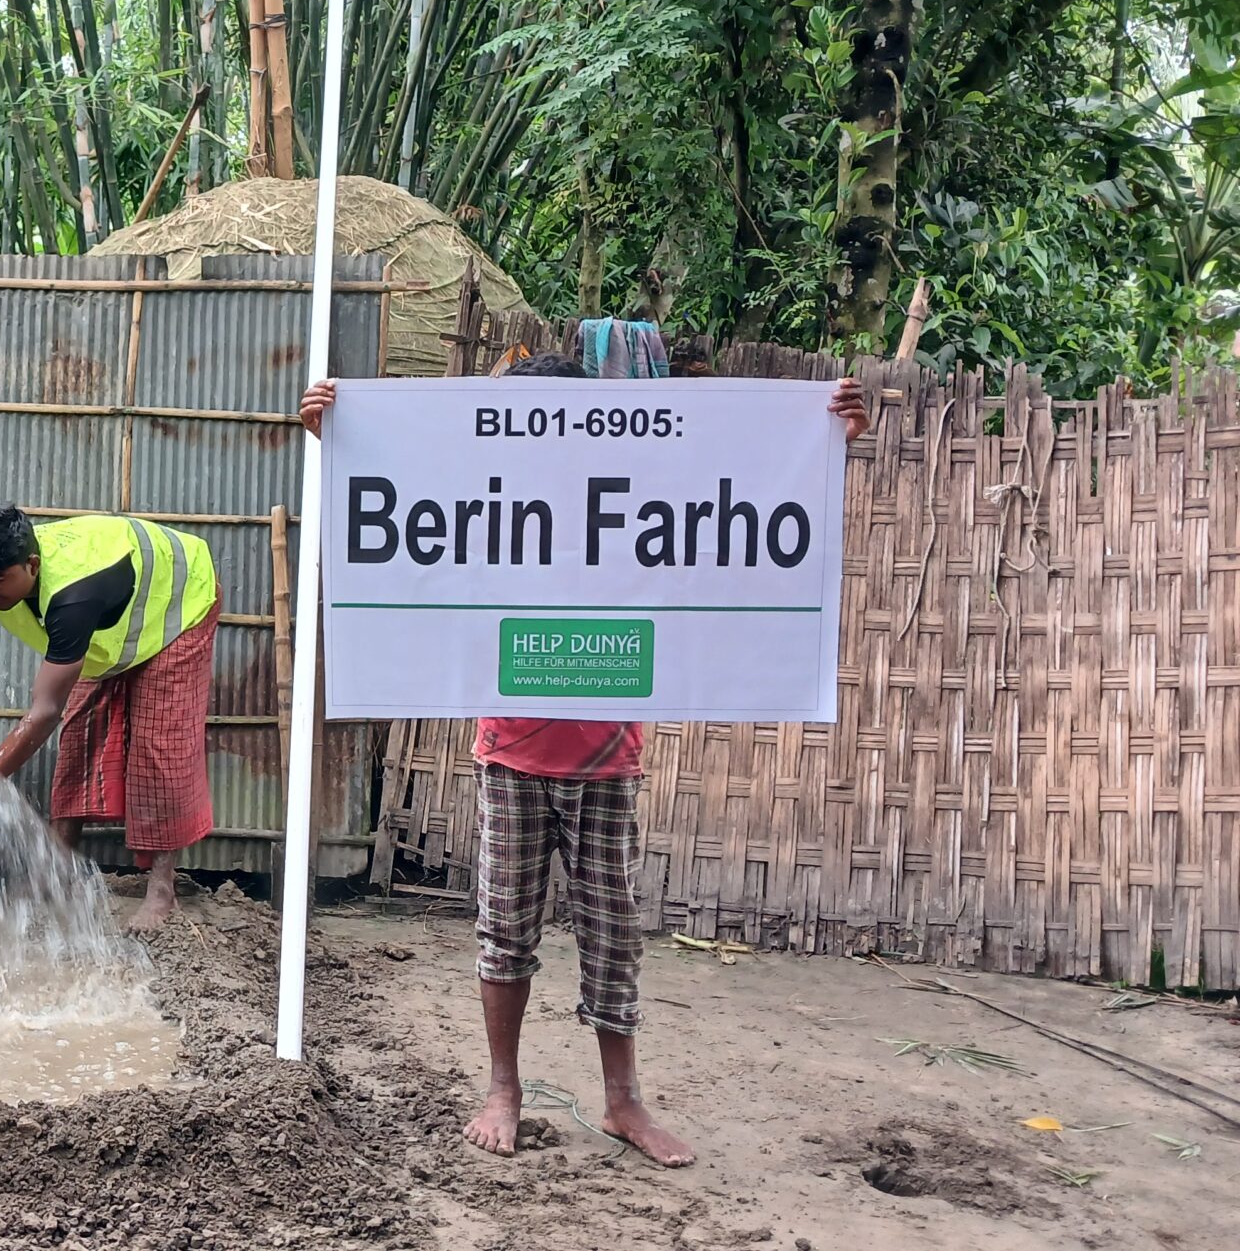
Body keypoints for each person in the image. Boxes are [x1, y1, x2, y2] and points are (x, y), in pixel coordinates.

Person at [299, 357, 869, 1168]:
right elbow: (400, 497)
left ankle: (622, 1101)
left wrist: (828, 437)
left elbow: (742, 493)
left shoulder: (635, 491)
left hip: (607, 759)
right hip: (512, 755)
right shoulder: (488, 493)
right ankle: (504, 1088)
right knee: (505, 929)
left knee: (613, 932)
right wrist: (339, 433)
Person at [0, 505, 221, 930]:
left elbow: (44, 711)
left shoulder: (74, 597)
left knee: (160, 744)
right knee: (79, 733)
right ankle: (56, 867)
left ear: (32, 565)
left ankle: (162, 890)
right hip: (113, 616)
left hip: (179, 601)